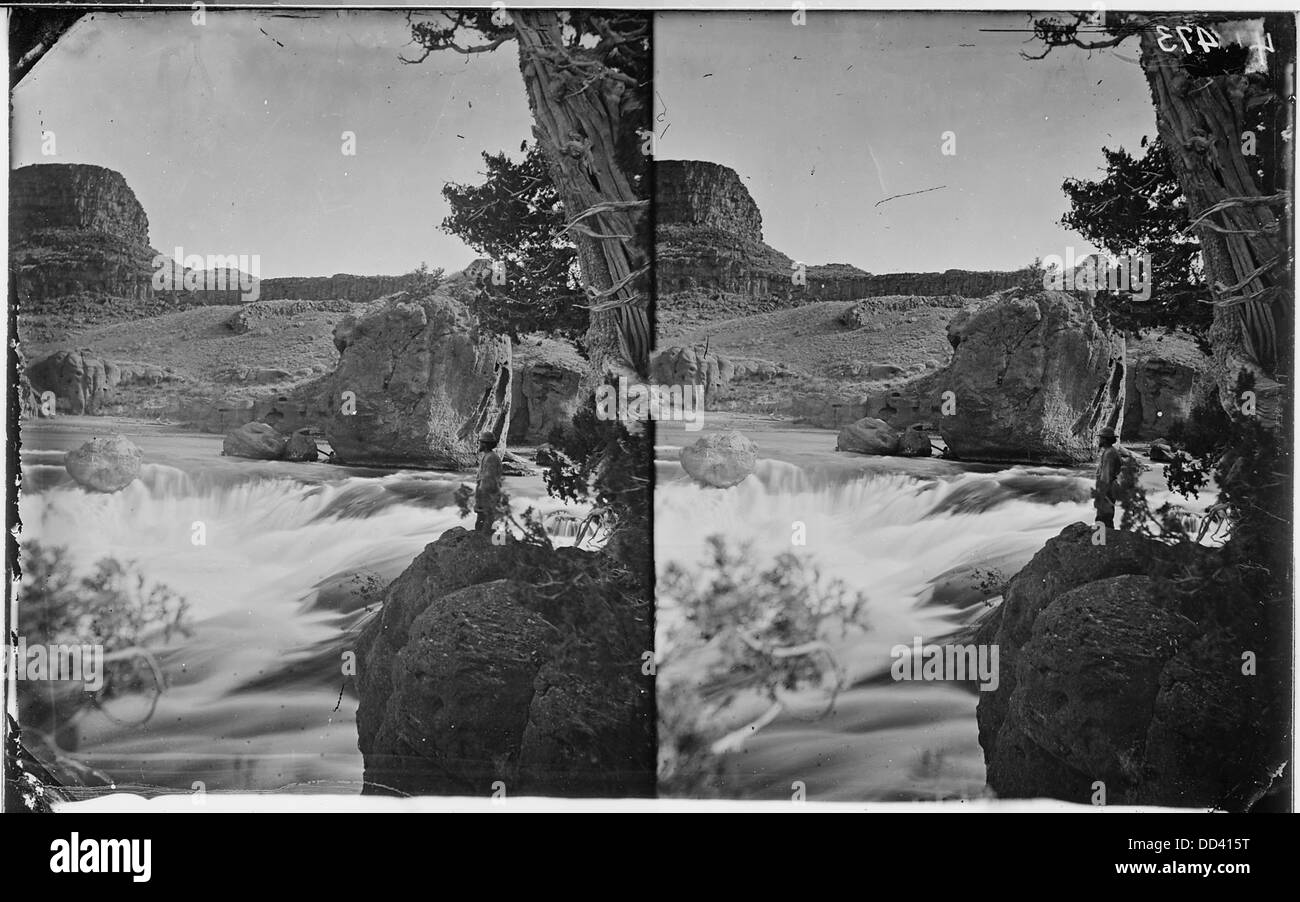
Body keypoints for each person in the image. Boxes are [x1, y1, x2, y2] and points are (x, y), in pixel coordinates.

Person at [474, 431, 504, 533]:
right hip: (486, 498)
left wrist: (481, 501)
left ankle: (492, 546)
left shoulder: (491, 458)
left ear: (485, 444)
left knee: (485, 528)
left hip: (488, 499)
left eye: (480, 442)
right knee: (481, 525)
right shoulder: (488, 456)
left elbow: (488, 481)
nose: (479, 444)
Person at [1094, 425, 1123, 529]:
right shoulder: (1111, 451)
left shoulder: (1109, 454)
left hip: (1107, 489)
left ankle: (1101, 542)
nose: (1099, 440)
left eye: (1100, 438)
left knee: (1102, 519)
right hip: (1111, 488)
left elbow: (1106, 477)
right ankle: (1106, 541)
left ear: (1105, 440)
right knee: (1106, 517)